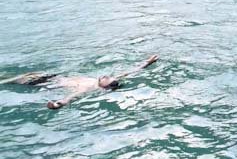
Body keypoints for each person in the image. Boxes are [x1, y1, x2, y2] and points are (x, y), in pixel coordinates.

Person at [1, 54, 159, 110]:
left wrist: (57, 104)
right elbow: (129, 72)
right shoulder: (100, 82)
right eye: (107, 76)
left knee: (14, 80)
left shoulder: (88, 88)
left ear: (105, 88)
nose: (106, 76)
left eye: (107, 79)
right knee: (19, 76)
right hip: (53, 76)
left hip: (46, 83)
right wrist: (147, 63)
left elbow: (70, 97)